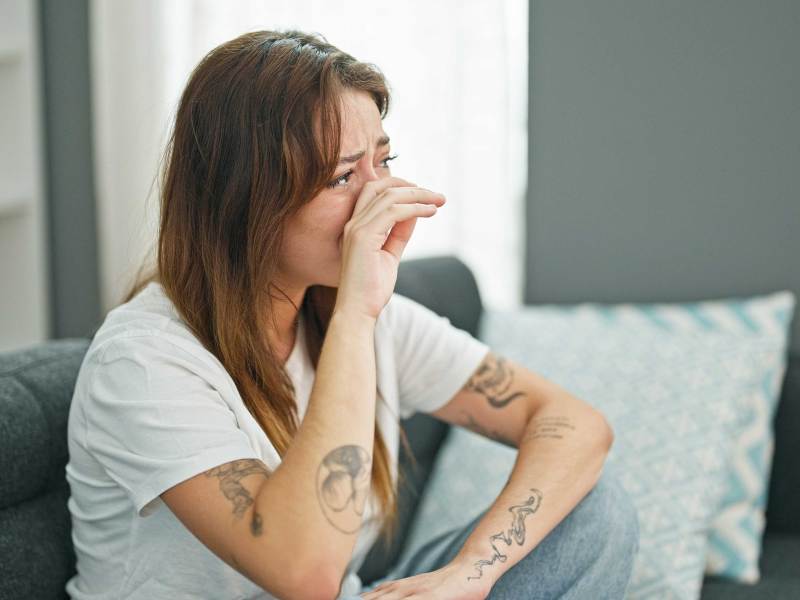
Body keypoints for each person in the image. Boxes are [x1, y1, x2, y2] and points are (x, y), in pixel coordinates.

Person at [64, 29, 639, 600]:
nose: (379, 200)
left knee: (595, 510)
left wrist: (470, 576)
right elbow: (306, 574)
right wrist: (356, 316)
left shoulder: (354, 314)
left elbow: (574, 424)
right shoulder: (143, 361)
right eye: (343, 177)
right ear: (244, 202)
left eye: (384, 162)